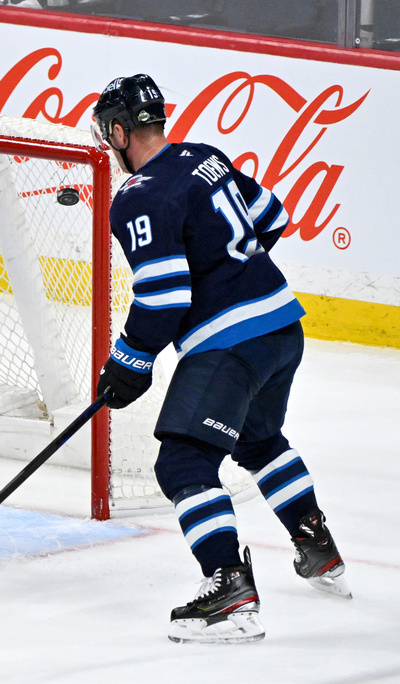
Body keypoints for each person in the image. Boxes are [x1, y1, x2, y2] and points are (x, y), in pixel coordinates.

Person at [90, 75, 350, 644]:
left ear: (117, 130)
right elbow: (274, 218)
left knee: (182, 464)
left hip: (230, 344)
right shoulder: (205, 157)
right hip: (282, 326)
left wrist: (128, 362)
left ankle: (229, 588)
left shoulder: (137, 197)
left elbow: (163, 296)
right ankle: (316, 545)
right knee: (257, 440)